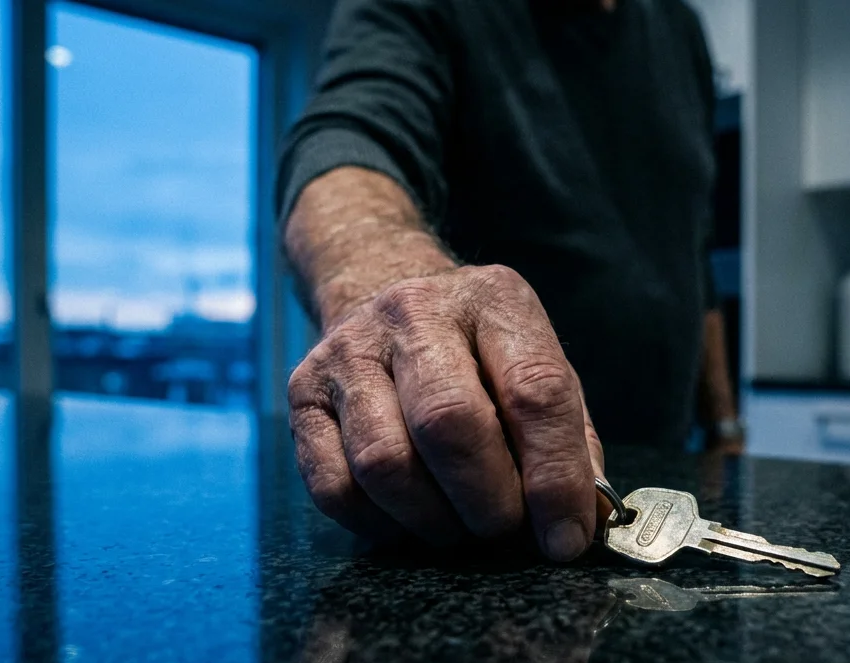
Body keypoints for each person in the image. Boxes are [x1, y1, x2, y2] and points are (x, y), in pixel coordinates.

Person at [278, 0, 741, 565]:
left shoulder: (680, 26)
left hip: (665, 467)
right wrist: (390, 290)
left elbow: (693, 251)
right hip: (486, 492)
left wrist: (723, 420)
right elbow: (347, 141)